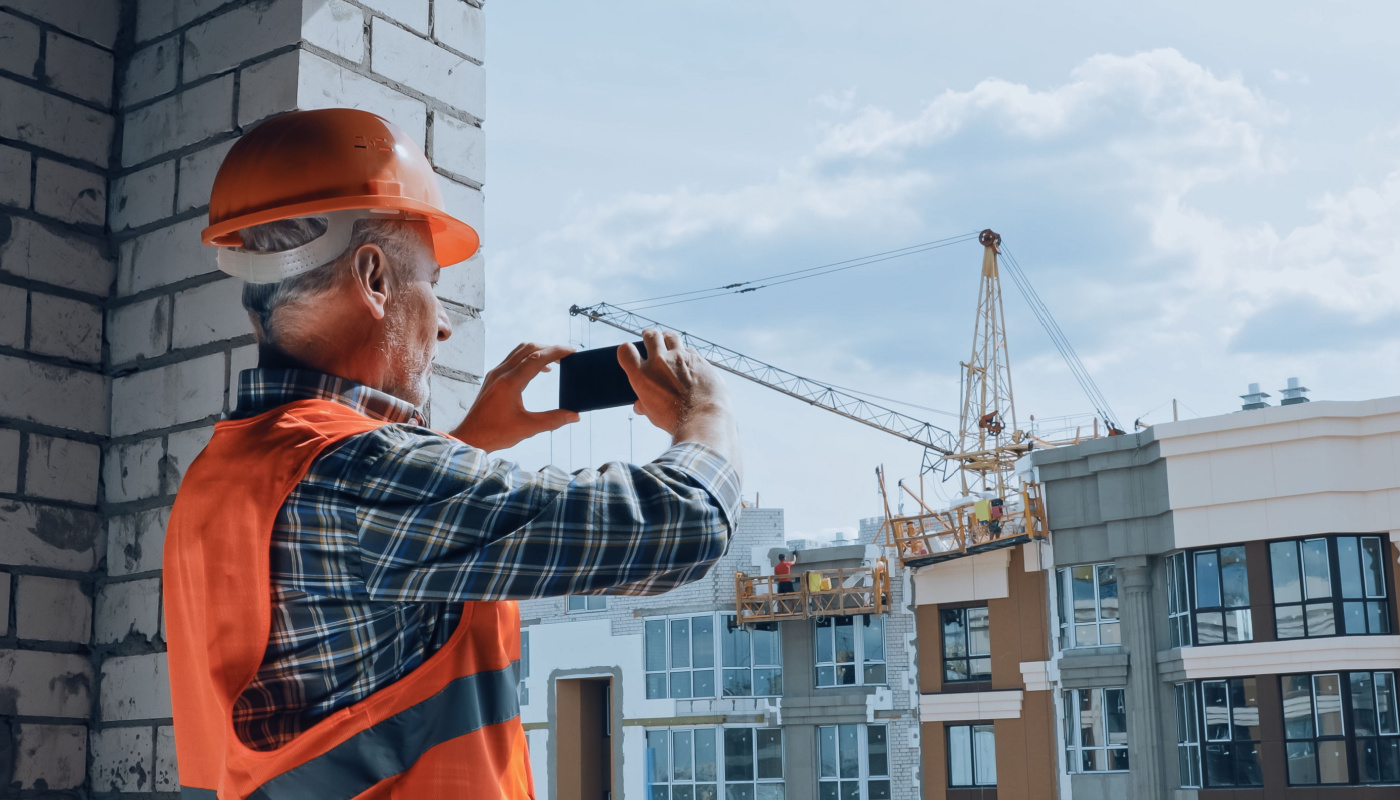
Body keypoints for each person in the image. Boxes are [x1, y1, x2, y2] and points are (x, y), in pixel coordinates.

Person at [163, 109, 741, 799]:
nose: (440, 326)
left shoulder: (224, 473)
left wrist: (470, 442)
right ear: (374, 278)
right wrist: (706, 415)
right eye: (431, 283)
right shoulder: (356, 476)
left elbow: (362, 595)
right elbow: (681, 526)